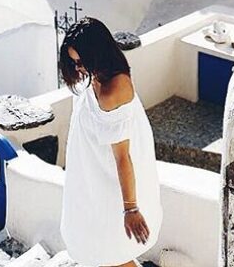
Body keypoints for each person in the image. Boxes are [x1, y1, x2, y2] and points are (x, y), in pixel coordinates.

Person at [58, 17, 163, 267]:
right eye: (73, 62)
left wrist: (130, 209)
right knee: (106, 253)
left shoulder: (114, 89)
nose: (78, 68)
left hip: (109, 182)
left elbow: (122, 156)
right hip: (93, 174)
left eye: (81, 61)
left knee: (108, 253)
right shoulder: (96, 74)